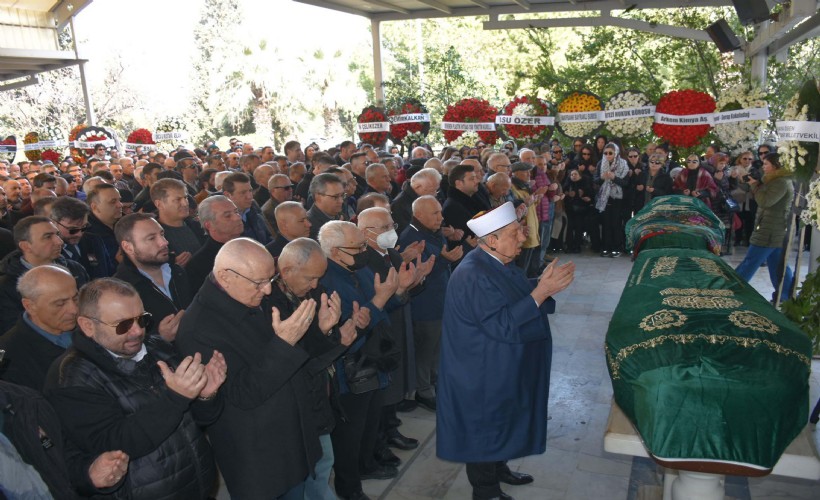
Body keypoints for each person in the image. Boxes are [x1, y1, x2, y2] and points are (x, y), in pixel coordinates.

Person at [436, 202, 575, 500]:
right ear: (492, 240)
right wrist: (541, 292)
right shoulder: (473, 273)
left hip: (502, 364)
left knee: (504, 422)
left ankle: (500, 469)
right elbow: (500, 323)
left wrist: (542, 285)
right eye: (515, 233)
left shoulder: (497, 263)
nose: (522, 238)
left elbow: (515, 293)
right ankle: (486, 491)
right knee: (485, 430)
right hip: (482, 370)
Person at [44, 278, 226, 499]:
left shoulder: (157, 347)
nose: (137, 331)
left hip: (196, 486)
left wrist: (206, 395)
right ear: (88, 326)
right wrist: (176, 397)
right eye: (123, 325)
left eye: (142, 319)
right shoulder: (72, 377)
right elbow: (115, 444)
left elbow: (198, 420)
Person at [175, 238, 323, 499]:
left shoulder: (248, 296)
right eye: (259, 283)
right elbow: (243, 393)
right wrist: (285, 344)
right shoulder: (199, 328)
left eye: (271, 278)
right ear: (225, 276)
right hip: (260, 457)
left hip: (290, 438)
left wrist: (322, 331)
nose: (267, 291)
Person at [113, 213, 192, 344]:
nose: (164, 242)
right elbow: (122, 346)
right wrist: (160, 338)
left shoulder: (177, 272)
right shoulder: (122, 291)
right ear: (128, 247)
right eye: (151, 238)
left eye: (162, 234)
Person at [0, 266, 78, 391]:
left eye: (75, 298)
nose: (74, 309)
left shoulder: (88, 327)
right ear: (30, 306)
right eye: (60, 304)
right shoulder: (9, 358)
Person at [734, 153, 795, 303]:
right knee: (777, 265)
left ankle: (732, 289)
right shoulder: (772, 179)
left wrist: (754, 185)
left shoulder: (781, 182)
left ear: (776, 166)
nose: (763, 167)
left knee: (750, 262)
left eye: (766, 164)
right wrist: (750, 182)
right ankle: (786, 296)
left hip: (771, 230)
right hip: (772, 228)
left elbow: (765, 201)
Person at [186, 195, 244, 292]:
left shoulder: (250, 246)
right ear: (209, 225)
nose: (238, 218)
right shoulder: (198, 265)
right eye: (227, 216)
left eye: (236, 212)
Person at [595, 143, 629, 257]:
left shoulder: (623, 164)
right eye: (606, 153)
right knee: (606, 223)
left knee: (616, 223)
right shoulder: (601, 163)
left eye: (610, 153)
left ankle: (617, 248)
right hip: (604, 197)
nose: (608, 155)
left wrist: (614, 178)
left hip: (618, 198)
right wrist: (602, 178)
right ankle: (606, 247)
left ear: (616, 153)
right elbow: (595, 180)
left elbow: (626, 183)